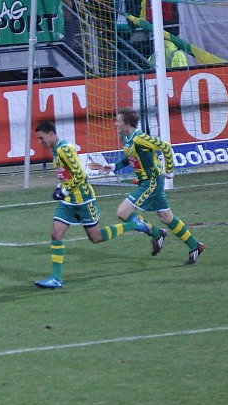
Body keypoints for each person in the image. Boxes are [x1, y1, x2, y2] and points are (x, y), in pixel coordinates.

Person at [33, 120, 154, 289]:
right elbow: (66, 176)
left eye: (41, 138)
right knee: (56, 234)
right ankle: (56, 278)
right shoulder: (55, 150)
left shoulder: (64, 148)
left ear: (51, 134)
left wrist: (65, 191)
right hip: (68, 202)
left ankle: (135, 224)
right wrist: (60, 187)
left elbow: (81, 175)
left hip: (83, 200)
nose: (40, 142)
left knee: (96, 238)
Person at [89, 107, 205, 265]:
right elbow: (130, 158)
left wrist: (169, 172)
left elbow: (166, 147)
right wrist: (113, 167)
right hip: (147, 182)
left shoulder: (139, 138)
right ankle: (195, 246)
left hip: (152, 182)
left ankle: (156, 233)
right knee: (166, 217)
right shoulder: (126, 138)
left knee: (122, 213)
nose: (115, 124)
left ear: (127, 123)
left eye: (118, 121)